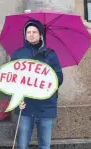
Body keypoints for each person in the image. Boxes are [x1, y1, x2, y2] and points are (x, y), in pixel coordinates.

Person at [10, 19, 63, 149]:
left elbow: (59, 77)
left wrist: (46, 80)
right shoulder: (18, 53)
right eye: (28, 32)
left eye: (34, 32)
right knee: (22, 145)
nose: (31, 34)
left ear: (40, 35)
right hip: (25, 106)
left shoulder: (50, 54)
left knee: (44, 145)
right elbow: (11, 79)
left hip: (46, 106)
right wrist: (17, 98)